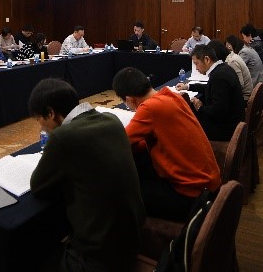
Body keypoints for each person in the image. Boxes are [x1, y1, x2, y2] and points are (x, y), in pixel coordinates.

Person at [28, 78, 144, 271]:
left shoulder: (62, 137)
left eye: (39, 119)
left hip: (98, 257)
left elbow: (38, 186)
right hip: (132, 240)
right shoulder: (112, 120)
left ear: (51, 113)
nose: (41, 126)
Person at [112, 67, 221, 222]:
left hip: (192, 197)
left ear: (129, 100)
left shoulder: (149, 108)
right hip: (208, 185)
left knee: (121, 193)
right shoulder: (171, 96)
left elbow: (119, 141)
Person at [177, 44, 245, 141]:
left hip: (226, 129)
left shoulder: (219, 76)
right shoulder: (224, 68)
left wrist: (200, 107)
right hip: (232, 121)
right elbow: (210, 88)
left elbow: (218, 111)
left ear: (207, 59)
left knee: (185, 123)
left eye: (196, 63)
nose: (196, 68)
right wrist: (188, 86)